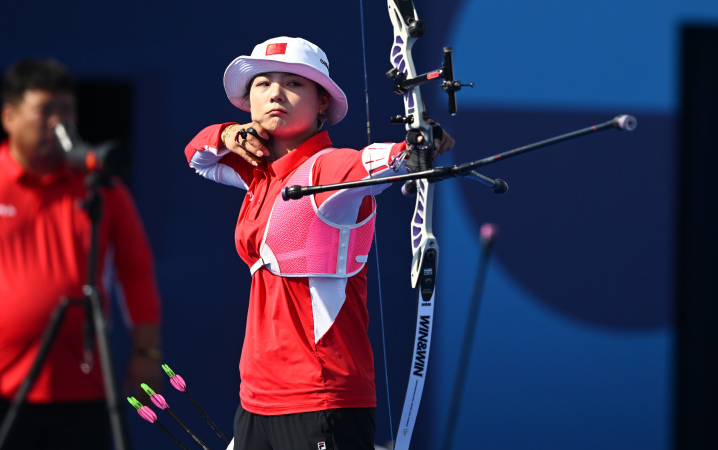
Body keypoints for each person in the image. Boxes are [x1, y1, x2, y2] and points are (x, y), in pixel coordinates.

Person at [183, 36, 453, 450]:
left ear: (322, 102)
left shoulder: (327, 167)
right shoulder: (257, 173)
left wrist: (412, 148)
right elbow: (197, 156)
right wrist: (228, 134)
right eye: (262, 83)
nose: (275, 93)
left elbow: (368, 162)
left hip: (320, 398)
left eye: (294, 84)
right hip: (256, 400)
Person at [0, 59, 162, 450]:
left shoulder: (102, 187)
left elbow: (135, 271)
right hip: (3, 386)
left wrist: (146, 352)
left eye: (67, 111)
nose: (59, 123)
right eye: (45, 111)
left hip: (84, 386)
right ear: (9, 116)